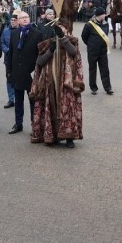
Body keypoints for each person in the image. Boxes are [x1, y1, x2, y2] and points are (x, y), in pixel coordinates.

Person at [30, 19, 84, 147]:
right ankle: (52, 135)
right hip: (50, 82)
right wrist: (50, 51)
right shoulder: (48, 44)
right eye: (57, 29)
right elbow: (40, 61)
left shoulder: (72, 42)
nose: (60, 31)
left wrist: (62, 38)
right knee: (51, 108)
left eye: (62, 29)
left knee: (66, 109)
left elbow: (73, 52)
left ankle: (69, 137)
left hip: (66, 84)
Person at [5, 10, 43, 134]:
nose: (25, 19)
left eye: (26, 17)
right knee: (18, 100)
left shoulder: (37, 34)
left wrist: (37, 71)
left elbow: (40, 54)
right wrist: (9, 71)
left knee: (33, 100)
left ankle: (35, 124)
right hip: (17, 72)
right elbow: (10, 54)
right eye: (22, 18)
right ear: (18, 21)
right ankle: (18, 124)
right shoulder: (14, 33)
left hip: (31, 72)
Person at [81, 7, 113, 95]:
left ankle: (107, 88)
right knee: (92, 69)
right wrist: (90, 45)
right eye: (104, 14)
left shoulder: (106, 24)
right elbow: (84, 36)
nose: (105, 15)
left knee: (105, 69)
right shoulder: (89, 25)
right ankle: (93, 87)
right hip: (92, 51)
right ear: (100, 15)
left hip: (103, 51)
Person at [0, 11, 19, 108]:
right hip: (8, 58)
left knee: (19, 78)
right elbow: (2, 42)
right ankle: (11, 99)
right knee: (9, 78)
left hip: (19, 59)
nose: (13, 22)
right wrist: (6, 50)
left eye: (15, 20)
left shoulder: (21, 31)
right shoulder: (6, 30)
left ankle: (19, 98)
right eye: (11, 20)